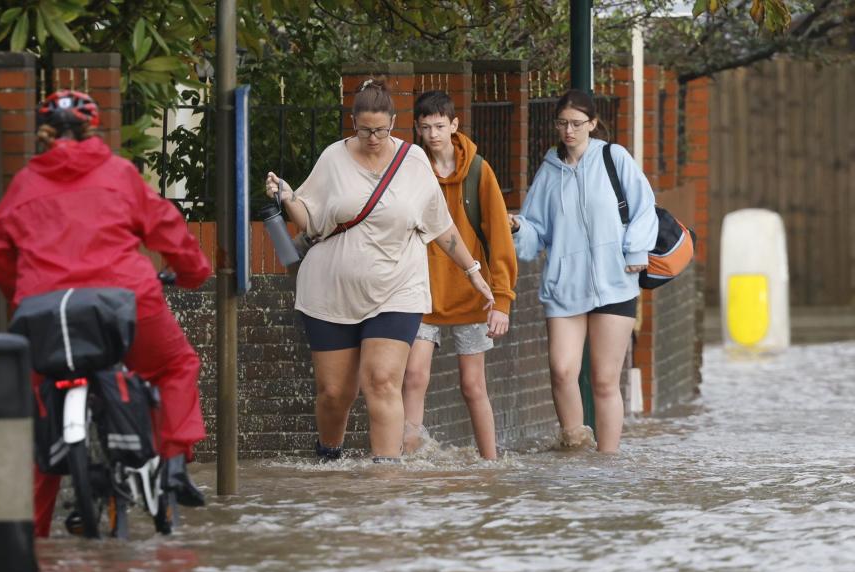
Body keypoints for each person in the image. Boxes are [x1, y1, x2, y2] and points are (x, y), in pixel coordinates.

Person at [0, 90, 213, 536]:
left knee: (39, 414)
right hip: (126, 305)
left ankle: (27, 539)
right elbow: (168, 230)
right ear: (93, 128)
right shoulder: (118, 174)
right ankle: (173, 463)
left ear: (45, 134)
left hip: (45, 314)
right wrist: (193, 273)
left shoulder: (25, 183)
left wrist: (21, 299)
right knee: (176, 365)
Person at [264, 80, 495, 463]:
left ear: (394, 123)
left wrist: (472, 270)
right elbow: (310, 220)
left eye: (382, 130)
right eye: (365, 130)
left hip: (397, 289)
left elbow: (441, 225)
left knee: (383, 381)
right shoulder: (333, 159)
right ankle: (329, 457)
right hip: (330, 293)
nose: (374, 138)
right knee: (335, 393)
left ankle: (385, 481)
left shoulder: (413, 163)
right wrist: (288, 197)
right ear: (353, 123)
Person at [509, 89, 658, 453]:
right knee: (562, 370)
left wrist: (637, 249)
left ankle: (606, 462)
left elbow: (644, 207)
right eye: (562, 123)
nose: (569, 131)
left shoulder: (614, 157)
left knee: (605, 380)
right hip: (565, 288)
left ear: (593, 123)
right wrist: (516, 228)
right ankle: (575, 445)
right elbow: (534, 235)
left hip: (615, 283)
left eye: (577, 123)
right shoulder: (549, 170)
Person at [401, 90, 517, 460]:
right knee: (414, 378)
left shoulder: (479, 172)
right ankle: (403, 460)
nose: (433, 134)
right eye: (425, 127)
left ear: (454, 125)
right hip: (422, 293)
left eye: (440, 126)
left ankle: (490, 465)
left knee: (473, 385)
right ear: (417, 129)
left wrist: (501, 301)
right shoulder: (411, 170)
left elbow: (499, 237)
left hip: (472, 295)